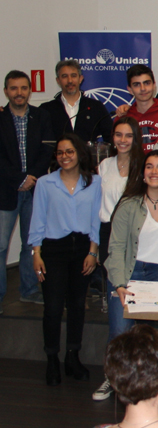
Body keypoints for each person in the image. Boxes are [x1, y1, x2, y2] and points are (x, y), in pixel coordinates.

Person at [95, 150, 158, 400]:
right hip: (128, 272)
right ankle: (112, 378)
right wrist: (119, 284)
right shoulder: (128, 205)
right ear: (142, 172)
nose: (154, 171)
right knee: (119, 332)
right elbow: (116, 248)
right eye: (149, 166)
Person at [29, 133, 101, 385]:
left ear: (79, 153)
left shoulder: (94, 182)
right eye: (60, 152)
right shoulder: (45, 183)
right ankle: (52, 359)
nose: (64, 156)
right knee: (52, 307)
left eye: (69, 151)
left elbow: (96, 220)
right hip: (53, 250)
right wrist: (36, 254)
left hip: (82, 249)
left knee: (78, 305)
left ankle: (73, 356)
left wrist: (93, 252)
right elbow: (38, 220)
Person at [0, 70, 53, 307]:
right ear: (6, 91)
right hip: (5, 191)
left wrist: (31, 178)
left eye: (23, 88)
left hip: (35, 189)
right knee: (0, 246)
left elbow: (48, 149)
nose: (19, 93)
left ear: (30, 90)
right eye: (14, 88)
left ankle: (29, 290)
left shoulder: (41, 116)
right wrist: (19, 179)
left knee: (32, 244)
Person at [94, 117, 143, 306]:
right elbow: (97, 204)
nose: (123, 140)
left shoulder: (144, 166)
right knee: (114, 285)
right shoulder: (105, 165)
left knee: (135, 288)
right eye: (118, 135)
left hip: (134, 233)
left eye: (128, 136)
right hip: (107, 231)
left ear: (136, 138)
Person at [40, 59, 113, 144]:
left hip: (87, 153)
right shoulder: (46, 109)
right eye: (64, 76)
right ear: (58, 81)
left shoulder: (95, 106)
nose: (70, 81)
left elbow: (110, 137)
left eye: (73, 76)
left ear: (80, 79)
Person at [123, 65, 158, 152]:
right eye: (137, 84)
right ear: (130, 89)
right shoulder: (124, 117)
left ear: (154, 85)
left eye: (147, 83)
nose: (143, 89)